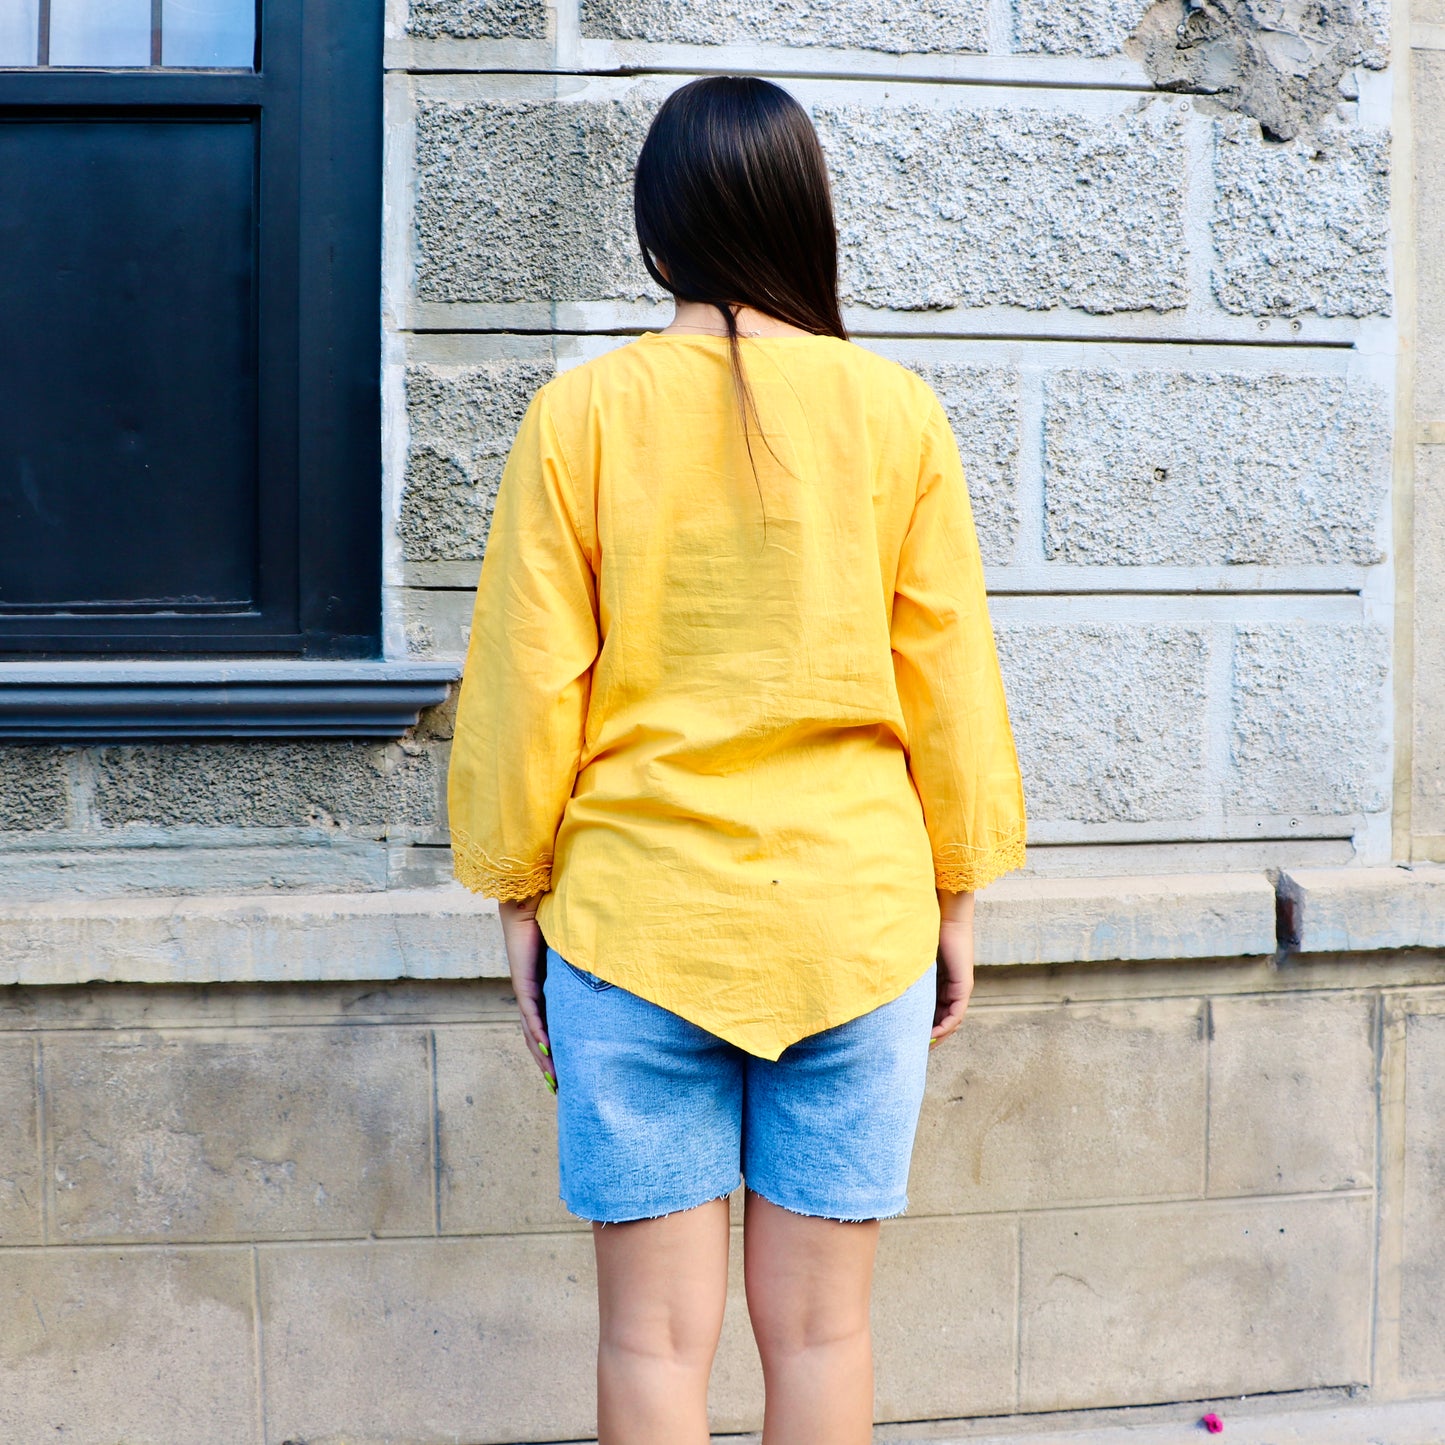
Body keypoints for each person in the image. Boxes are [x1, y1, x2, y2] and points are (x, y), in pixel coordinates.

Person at [447, 73, 1028, 1445]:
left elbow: (530, 687)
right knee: (825, 1332)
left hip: (635, 917)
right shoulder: (895, 415)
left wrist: (516, 896)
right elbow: (946, 681)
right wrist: (953, 895)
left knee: (649, 1342)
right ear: (804, 221)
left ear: (656, 240)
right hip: (852, 914)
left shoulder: (577, 419)